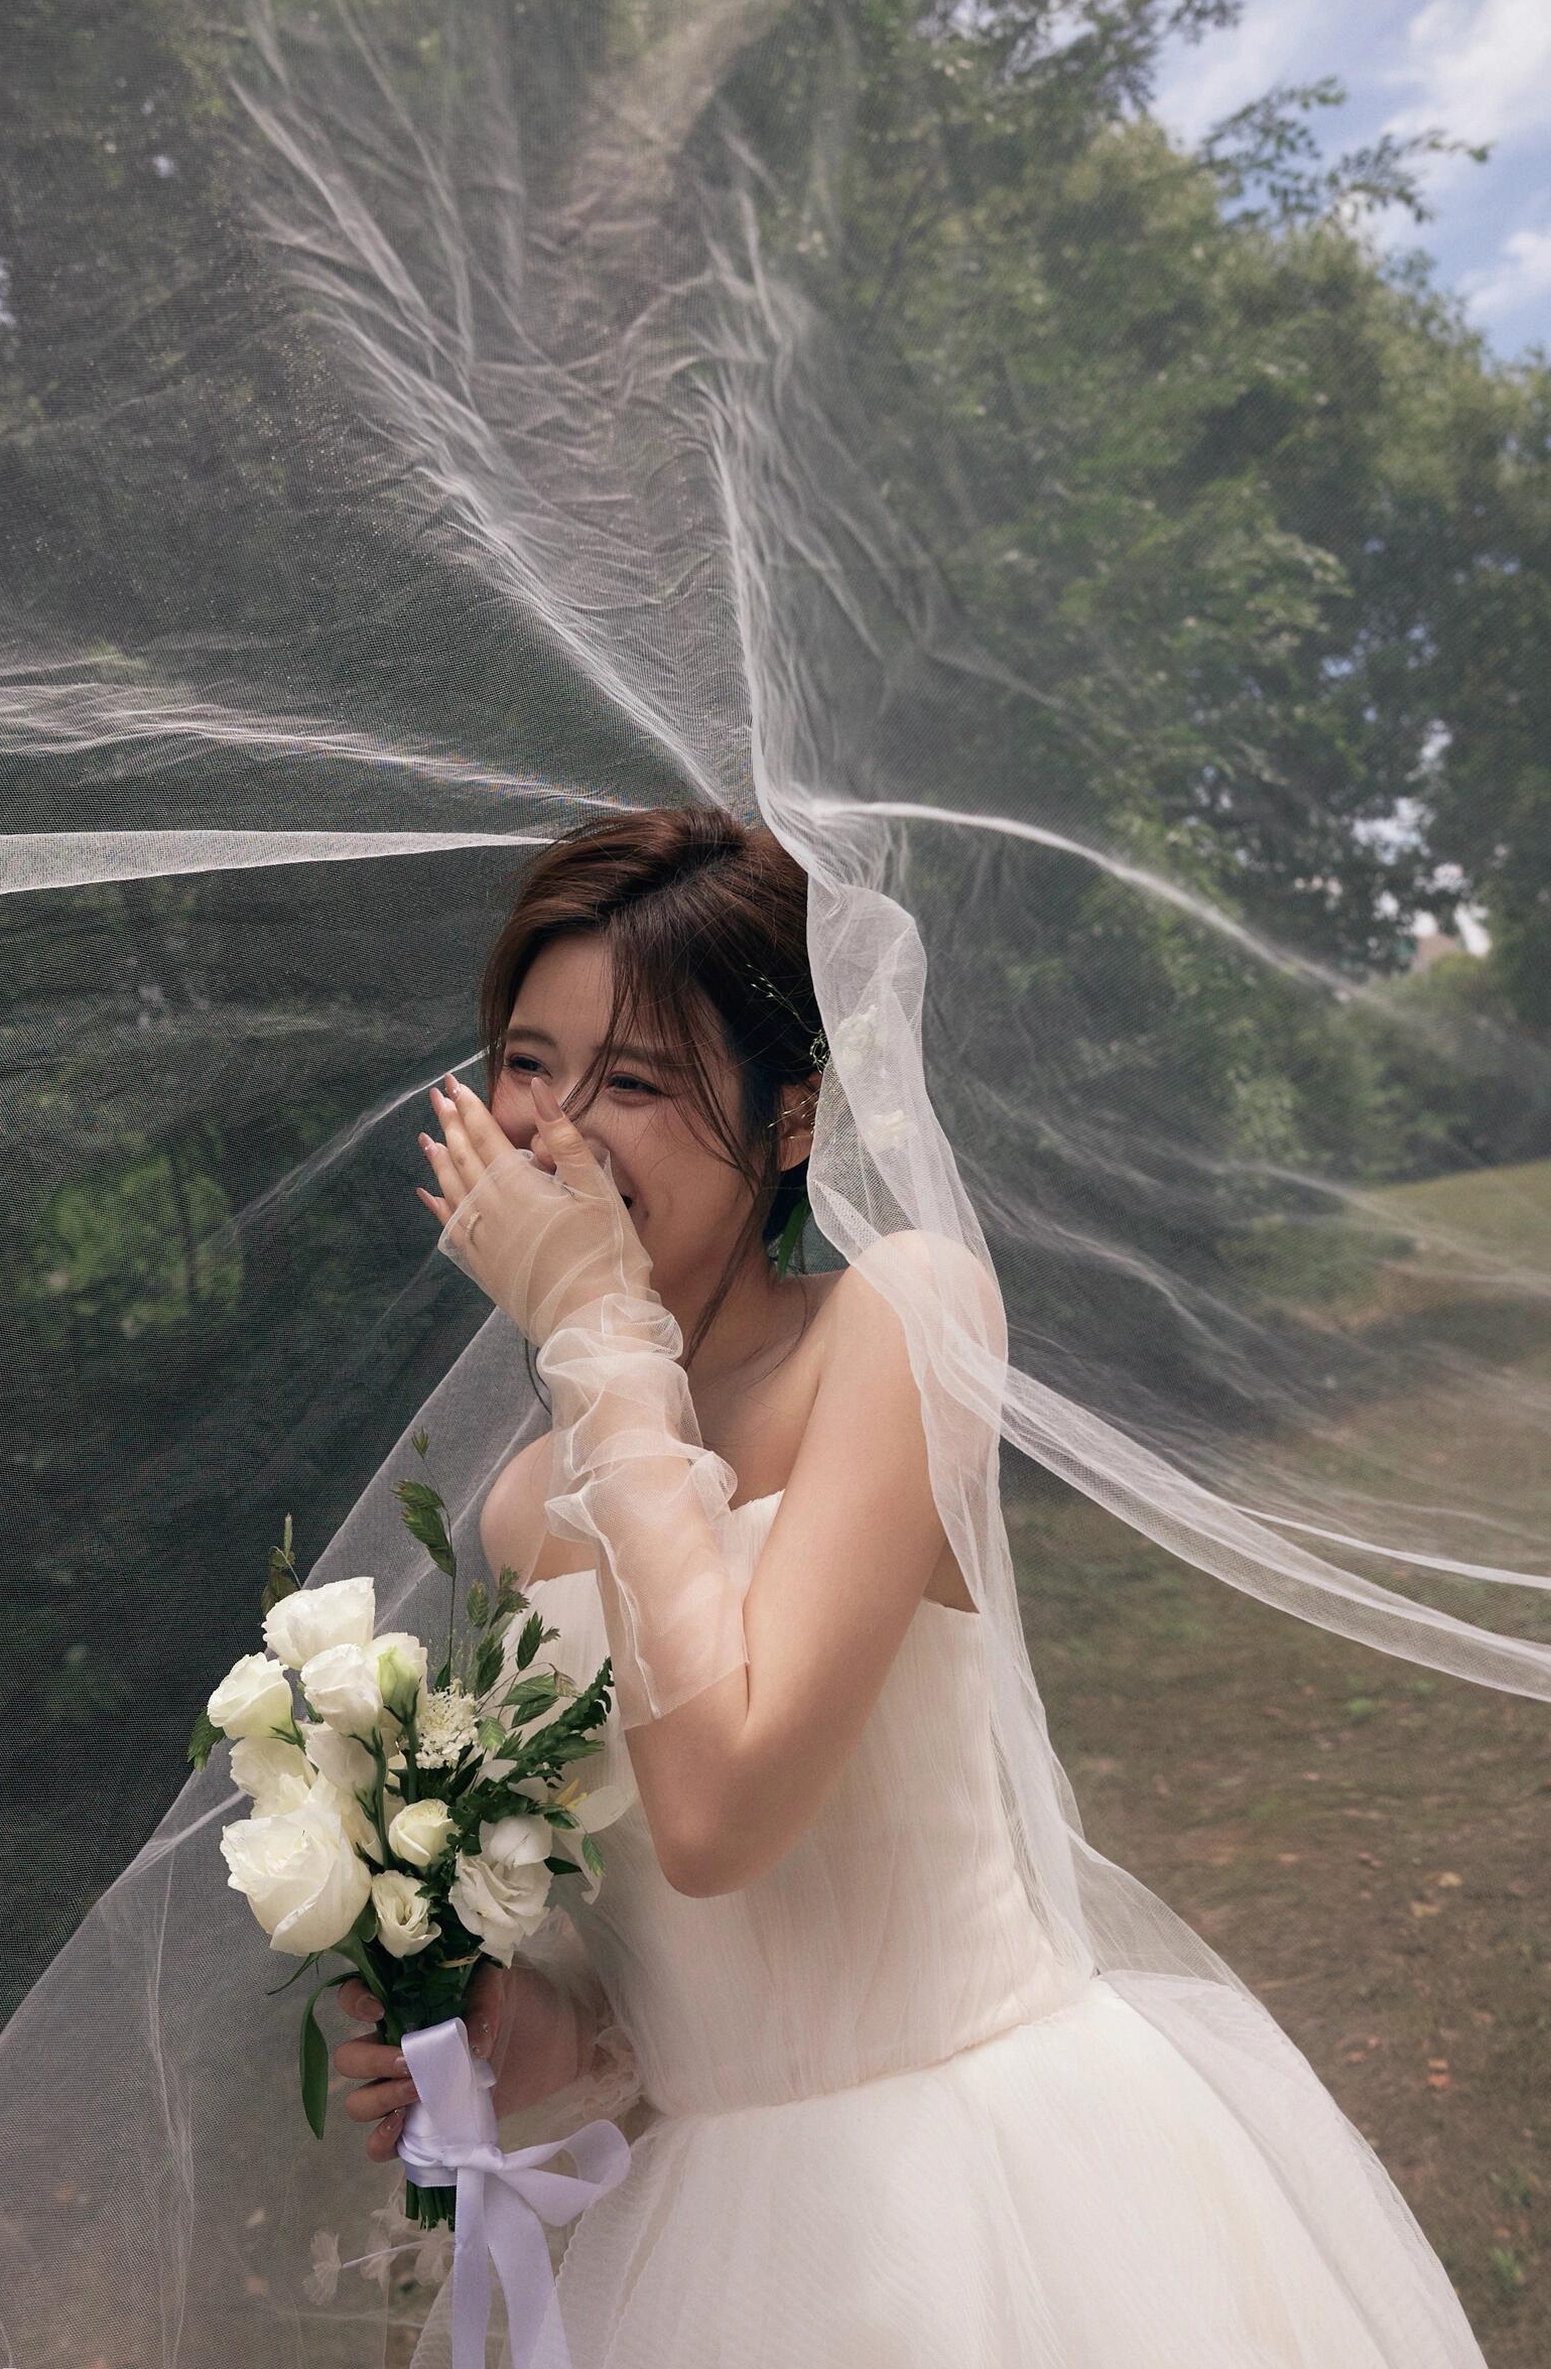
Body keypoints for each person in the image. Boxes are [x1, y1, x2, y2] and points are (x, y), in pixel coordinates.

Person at [330, 806, 1486, 2368]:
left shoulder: (900, 1323)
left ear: (790, 1120)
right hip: (709, 2246)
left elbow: (726, 1805)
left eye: (639, 1082)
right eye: (528, 1064)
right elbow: (673, 1953)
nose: (557, 1132)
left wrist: (599, 1328)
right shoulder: (532, 1503)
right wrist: (533, 2032)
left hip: (994, 2194)